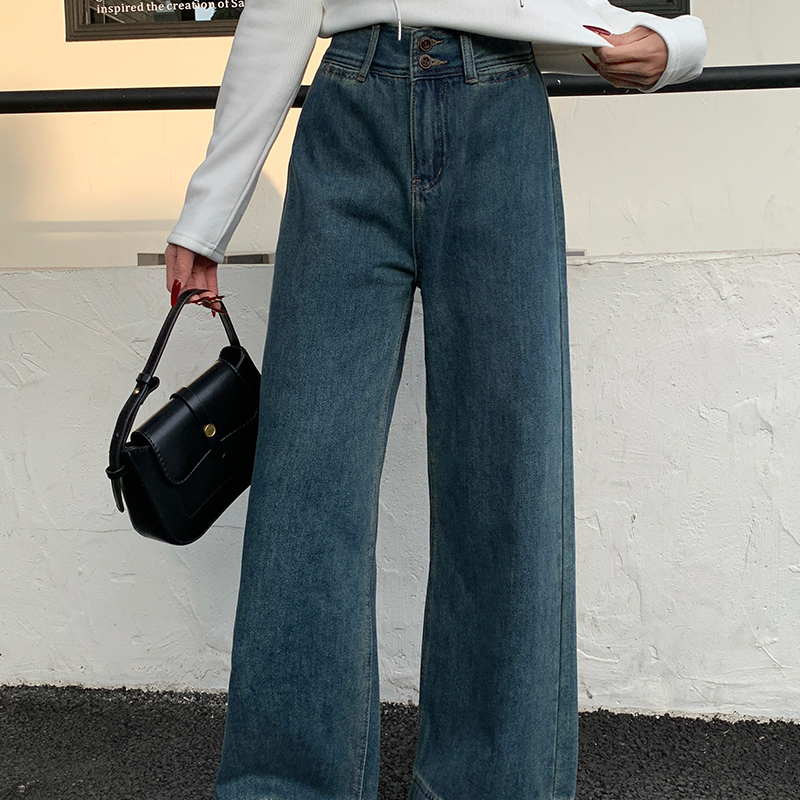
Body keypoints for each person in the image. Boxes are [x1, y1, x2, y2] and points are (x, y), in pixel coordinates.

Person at [164, 2, 706, 799]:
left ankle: (492, 785)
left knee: (505, 479)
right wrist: (208, 213)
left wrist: (680, 39)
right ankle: (284, 786)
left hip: (500, 107)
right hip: (350, 105)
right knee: (303, 481)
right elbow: (281, 9)